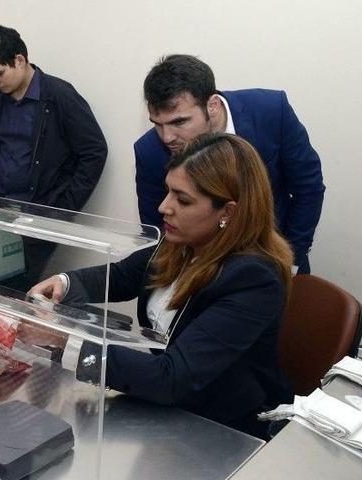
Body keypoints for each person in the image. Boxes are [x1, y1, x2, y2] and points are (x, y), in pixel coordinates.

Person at [30, 133, 293, 439]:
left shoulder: (253, 280)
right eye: (168, 191)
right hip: (164, 409)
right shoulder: (182, 243)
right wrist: (64, 283)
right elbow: (122, 275)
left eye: (183, 200)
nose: (164, 207)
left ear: (228, 212)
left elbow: (172, 377)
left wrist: (66, 340)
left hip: (221, 429)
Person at [133, 54, 325, 273]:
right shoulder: (149, 152)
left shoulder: (271, 111)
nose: (167, 137)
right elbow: (158, 230)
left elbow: (308, 188)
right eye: (158, 124)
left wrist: (290, 261)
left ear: (212, 105)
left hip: (276, 261)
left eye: (179, 122)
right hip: (197, 272)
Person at [0, 25, 107, 289]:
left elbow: (94, 151)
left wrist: (63, 208)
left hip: (38, 218)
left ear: (19, 60)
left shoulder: (59, 95)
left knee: (14, 291)